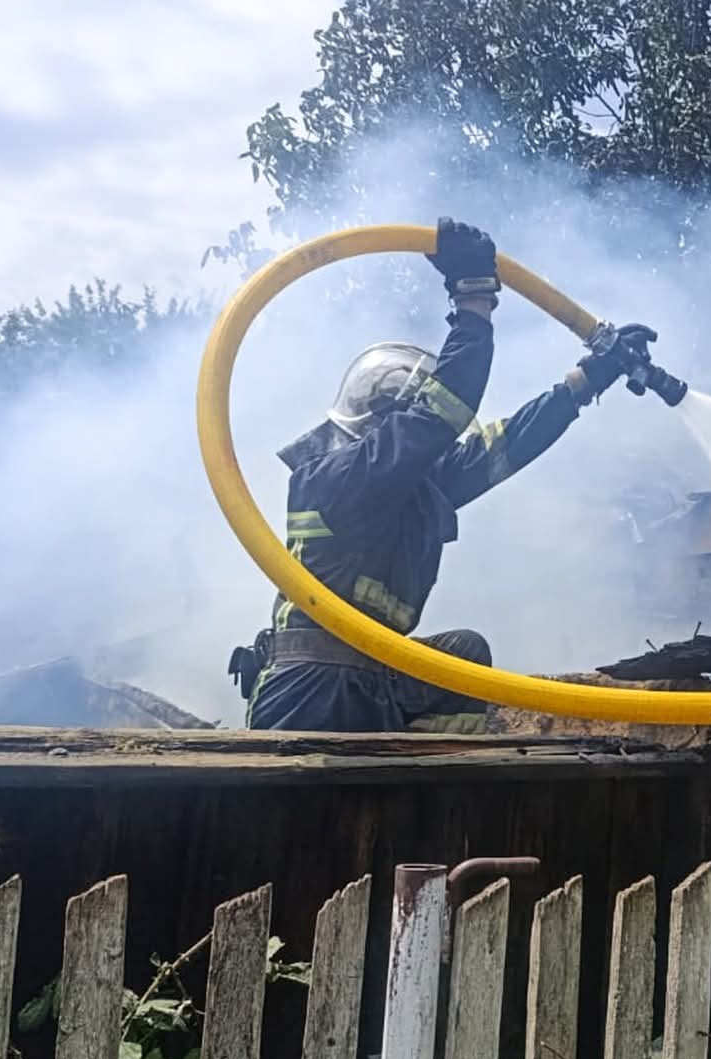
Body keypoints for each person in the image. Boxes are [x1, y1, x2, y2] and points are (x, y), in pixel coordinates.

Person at [233, 217, 659, 732]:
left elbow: (505, 445)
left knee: (465, 654)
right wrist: (473, 299)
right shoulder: (340, 477)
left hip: (374, 674)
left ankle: (431, 777)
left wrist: (585, 382)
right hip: (309, 689)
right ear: (385, 422)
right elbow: (442, 412)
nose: (426, 438)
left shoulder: (407, 487)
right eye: (412, 420)